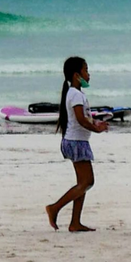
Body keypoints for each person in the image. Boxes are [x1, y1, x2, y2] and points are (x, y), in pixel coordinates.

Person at [45, 56, 109, 232]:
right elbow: (81, 120)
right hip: (76, 142)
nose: (89, 74)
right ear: (76, 75)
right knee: (87, 181)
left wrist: (96, 123)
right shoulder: (75, 94)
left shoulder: (76, 94)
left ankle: (75, 222)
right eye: (86, 70)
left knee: (82, 183)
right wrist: (97, 129)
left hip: (78, 140)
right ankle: (54, 208)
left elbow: (84, 118)